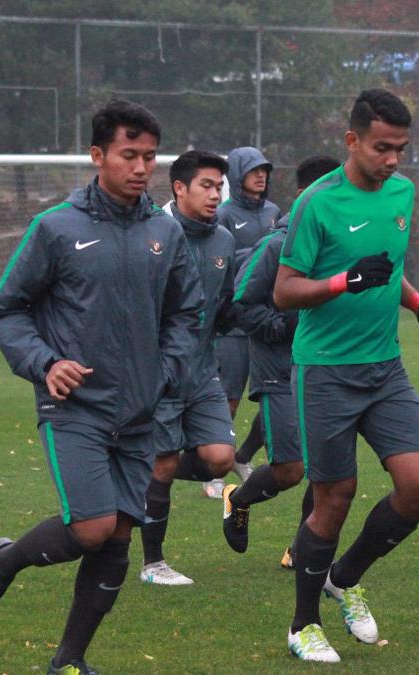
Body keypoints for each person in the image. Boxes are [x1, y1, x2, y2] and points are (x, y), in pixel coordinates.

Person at [0, 100, 203, 675]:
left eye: (150, 156)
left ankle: (67, 662)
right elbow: (5, 309)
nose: (141, 167)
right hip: (74, 409)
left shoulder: (164, 230)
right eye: (129, 155)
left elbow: (187, 311)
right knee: (95, 527)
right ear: (98, 156)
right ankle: (4, 561)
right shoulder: (56, 228)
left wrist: (166, 369)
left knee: (120, 536)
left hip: (141, 410)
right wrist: (46, 363)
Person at [273, 89, 419, 664]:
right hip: (325, 371)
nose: (393, 160)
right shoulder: (316, 204)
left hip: (385, 368)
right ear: (352, 141)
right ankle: (303, 625)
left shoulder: (401, 193)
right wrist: (341, 282)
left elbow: (387, 270)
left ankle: (345, 576)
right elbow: (284, 291)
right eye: (382, 148)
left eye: (401, 148)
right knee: (334, 497)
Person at [138, 150, 262, 586]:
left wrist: (257, 313)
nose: (216, 195)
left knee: (218, 459)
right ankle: (153, 564)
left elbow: (225, 307)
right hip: (158, 371)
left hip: (203, 368)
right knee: (164, 463)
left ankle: (146, 475)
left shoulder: (224, 240)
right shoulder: (149, 232)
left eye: (219, 187)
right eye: (207, 186)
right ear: (179, 188)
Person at [224, 154, 341, 568]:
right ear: (308, 194)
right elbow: (239, 305)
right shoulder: (277, 243)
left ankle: (301, 547)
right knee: (291, 470)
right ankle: (237, 498)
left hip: (327, 368)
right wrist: (282, 328)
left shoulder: (339, 241)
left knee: (328, 470)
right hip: (279, 371)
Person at [211, 146, 282, 498]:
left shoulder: (274, 212)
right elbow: (220, 259)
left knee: (274, 396)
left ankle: (242, 456)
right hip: (237, 321)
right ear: (237, 175)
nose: (261, 175)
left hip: (270, 320)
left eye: (264, 170)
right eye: (253, 170)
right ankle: (213, 471)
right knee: (230, 397)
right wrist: (256, 255)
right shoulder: (223, 214)